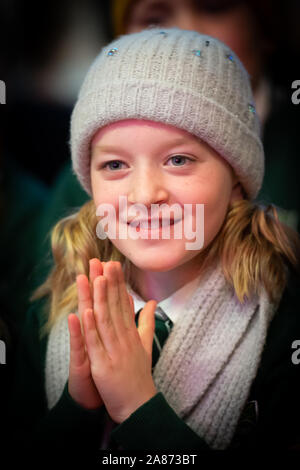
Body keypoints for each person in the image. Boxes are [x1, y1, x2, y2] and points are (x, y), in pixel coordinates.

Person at [11, 28, 300, 460]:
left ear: (237, 182)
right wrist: (78, 409)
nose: (145, 195)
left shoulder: (284, 324)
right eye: (114, 164)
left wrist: (138, 408)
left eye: (178, 160)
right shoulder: (51, 312)